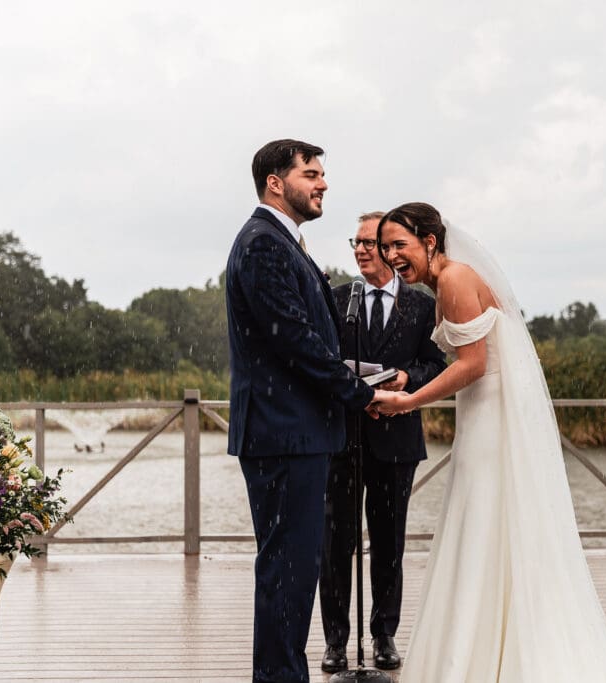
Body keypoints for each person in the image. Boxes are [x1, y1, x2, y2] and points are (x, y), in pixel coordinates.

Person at [372, 203, 606, 682]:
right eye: (385, 248)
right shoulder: (446, 281)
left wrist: (410, 401)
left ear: (430, 240)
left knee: (484, 517)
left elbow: (473, 364)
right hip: (482, 412)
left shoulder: (457, 278)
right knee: (484, 521)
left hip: (492, 413)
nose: (391, 256)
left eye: (399, 245)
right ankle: (482, 646)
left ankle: (484, 655)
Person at [224, 139, 382, 683]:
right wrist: (360, 393)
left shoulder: (283, 243)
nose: (323, 184)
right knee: (287, 573)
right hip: (283, 434)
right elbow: (295, 340)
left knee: (292, 572)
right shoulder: (264, 245)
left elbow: (312, 340)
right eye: (311, 174)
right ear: (276, 182)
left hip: (295, 433)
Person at [319, 212, 447, 673]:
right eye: (355, 242)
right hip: (341, 439)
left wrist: (408, 377)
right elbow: (320, 361)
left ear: (391, 248)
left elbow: (436, 364)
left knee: (389, 543)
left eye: (371, 242)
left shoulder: (421, 305)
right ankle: (335, 641)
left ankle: (384, 636)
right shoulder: (336, 300)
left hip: (397, 442)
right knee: (335, 543)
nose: (361, 250)